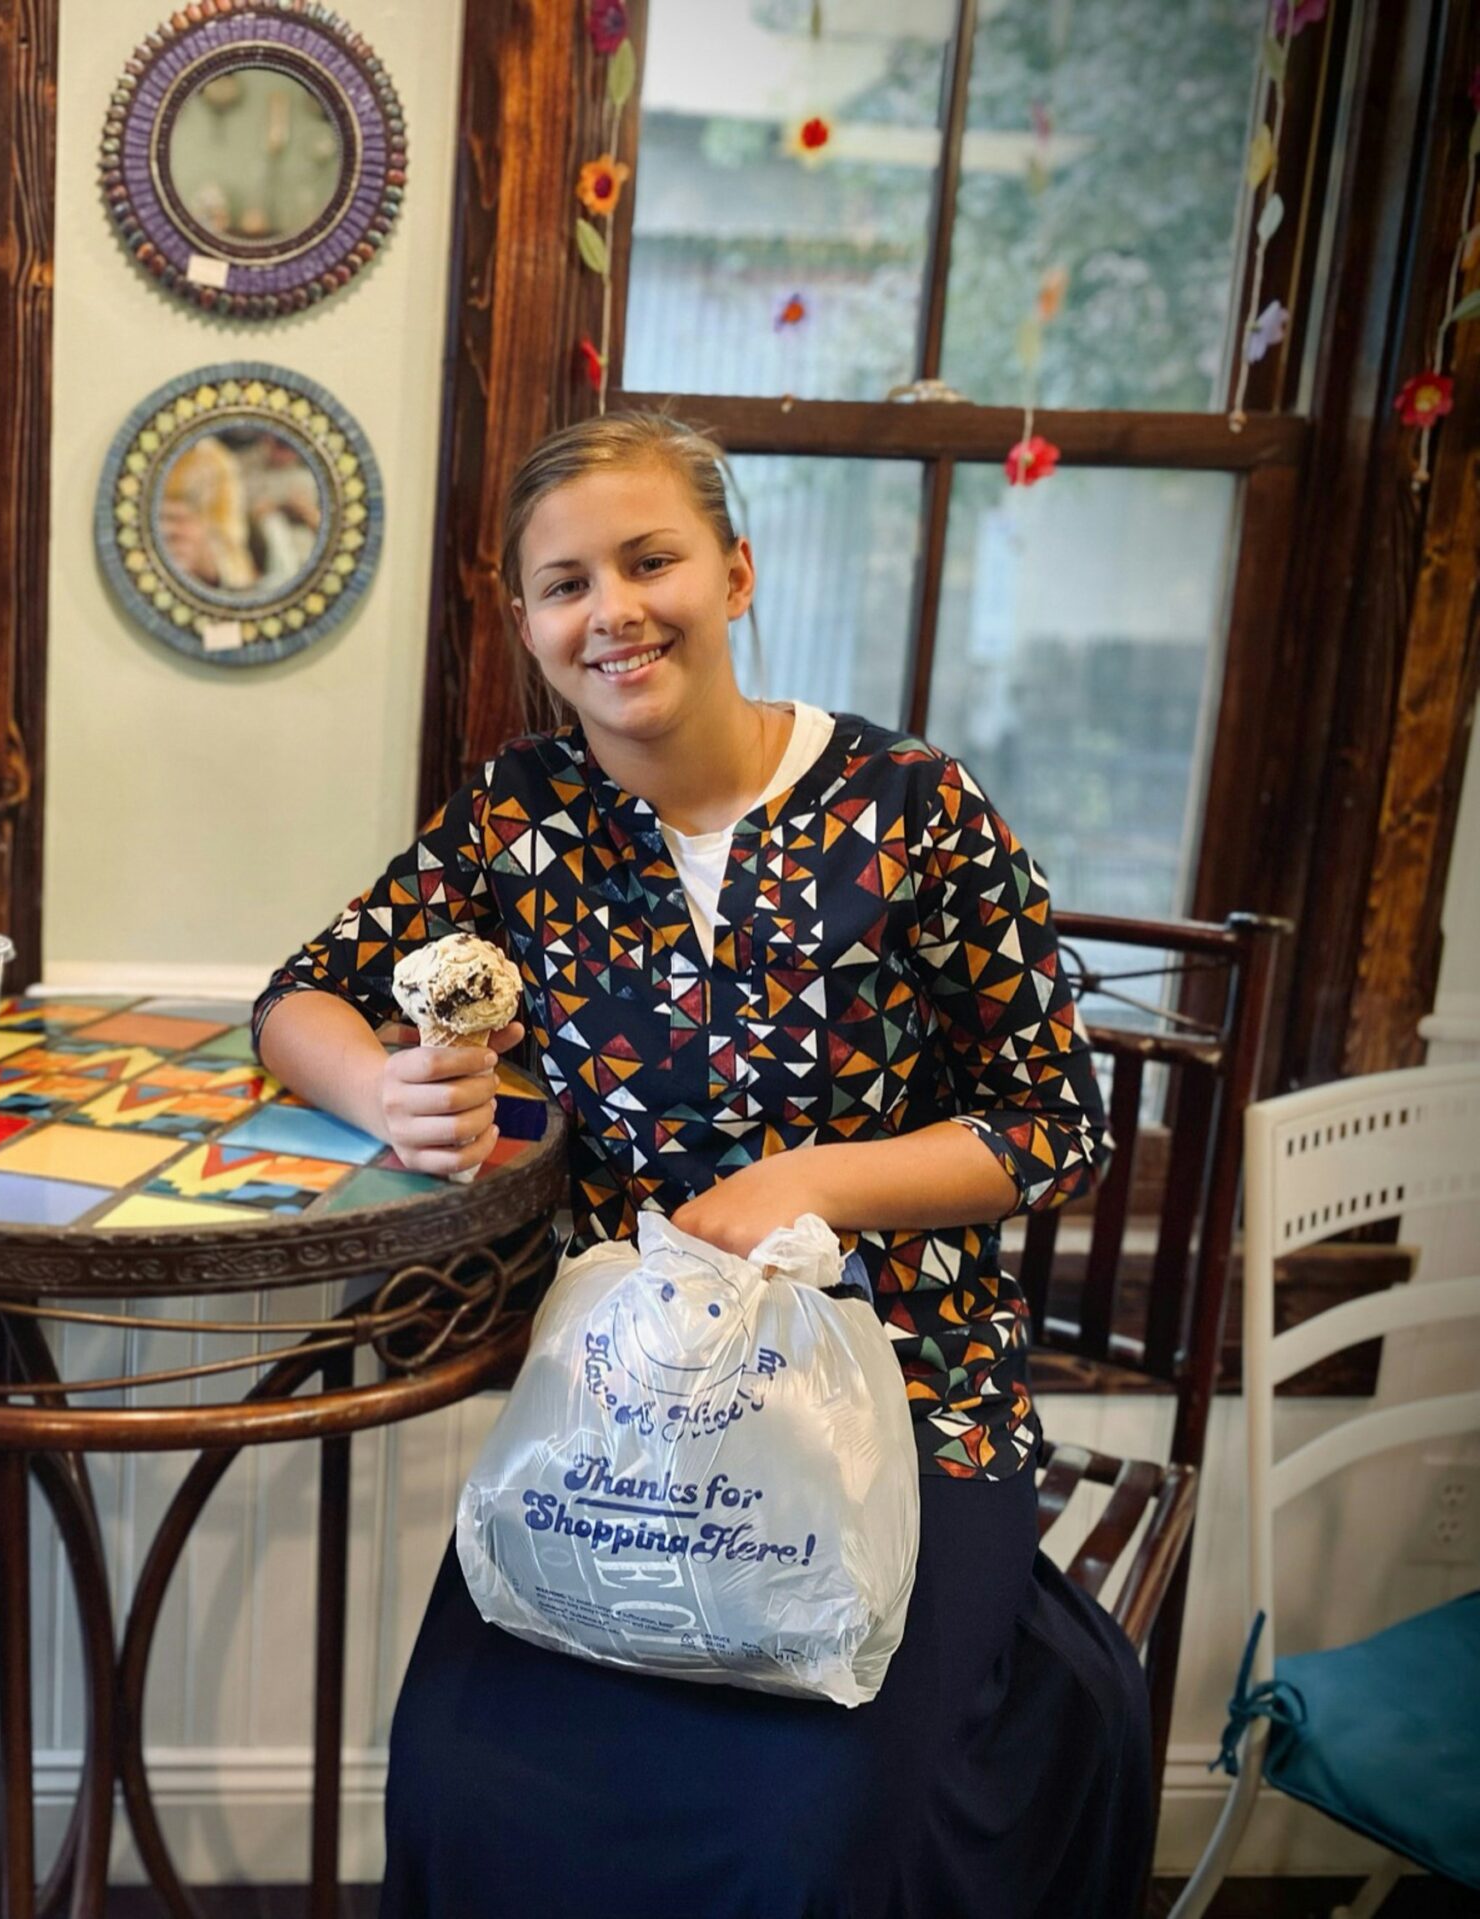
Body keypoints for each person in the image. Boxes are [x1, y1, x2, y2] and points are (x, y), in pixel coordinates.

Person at [255, 413, 1152, 1916]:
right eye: (563, 583)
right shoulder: (518, 817)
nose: (611, 609)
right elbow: (298, 1000)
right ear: (527, 625)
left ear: (734, 574)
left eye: (649, 559)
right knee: (460, 1779)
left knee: (818, 1821)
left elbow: (1058, 1117)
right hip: (628, 1410)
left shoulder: (916, 812)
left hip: (905, 1381)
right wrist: (386, 1093)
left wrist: (819, 1181)